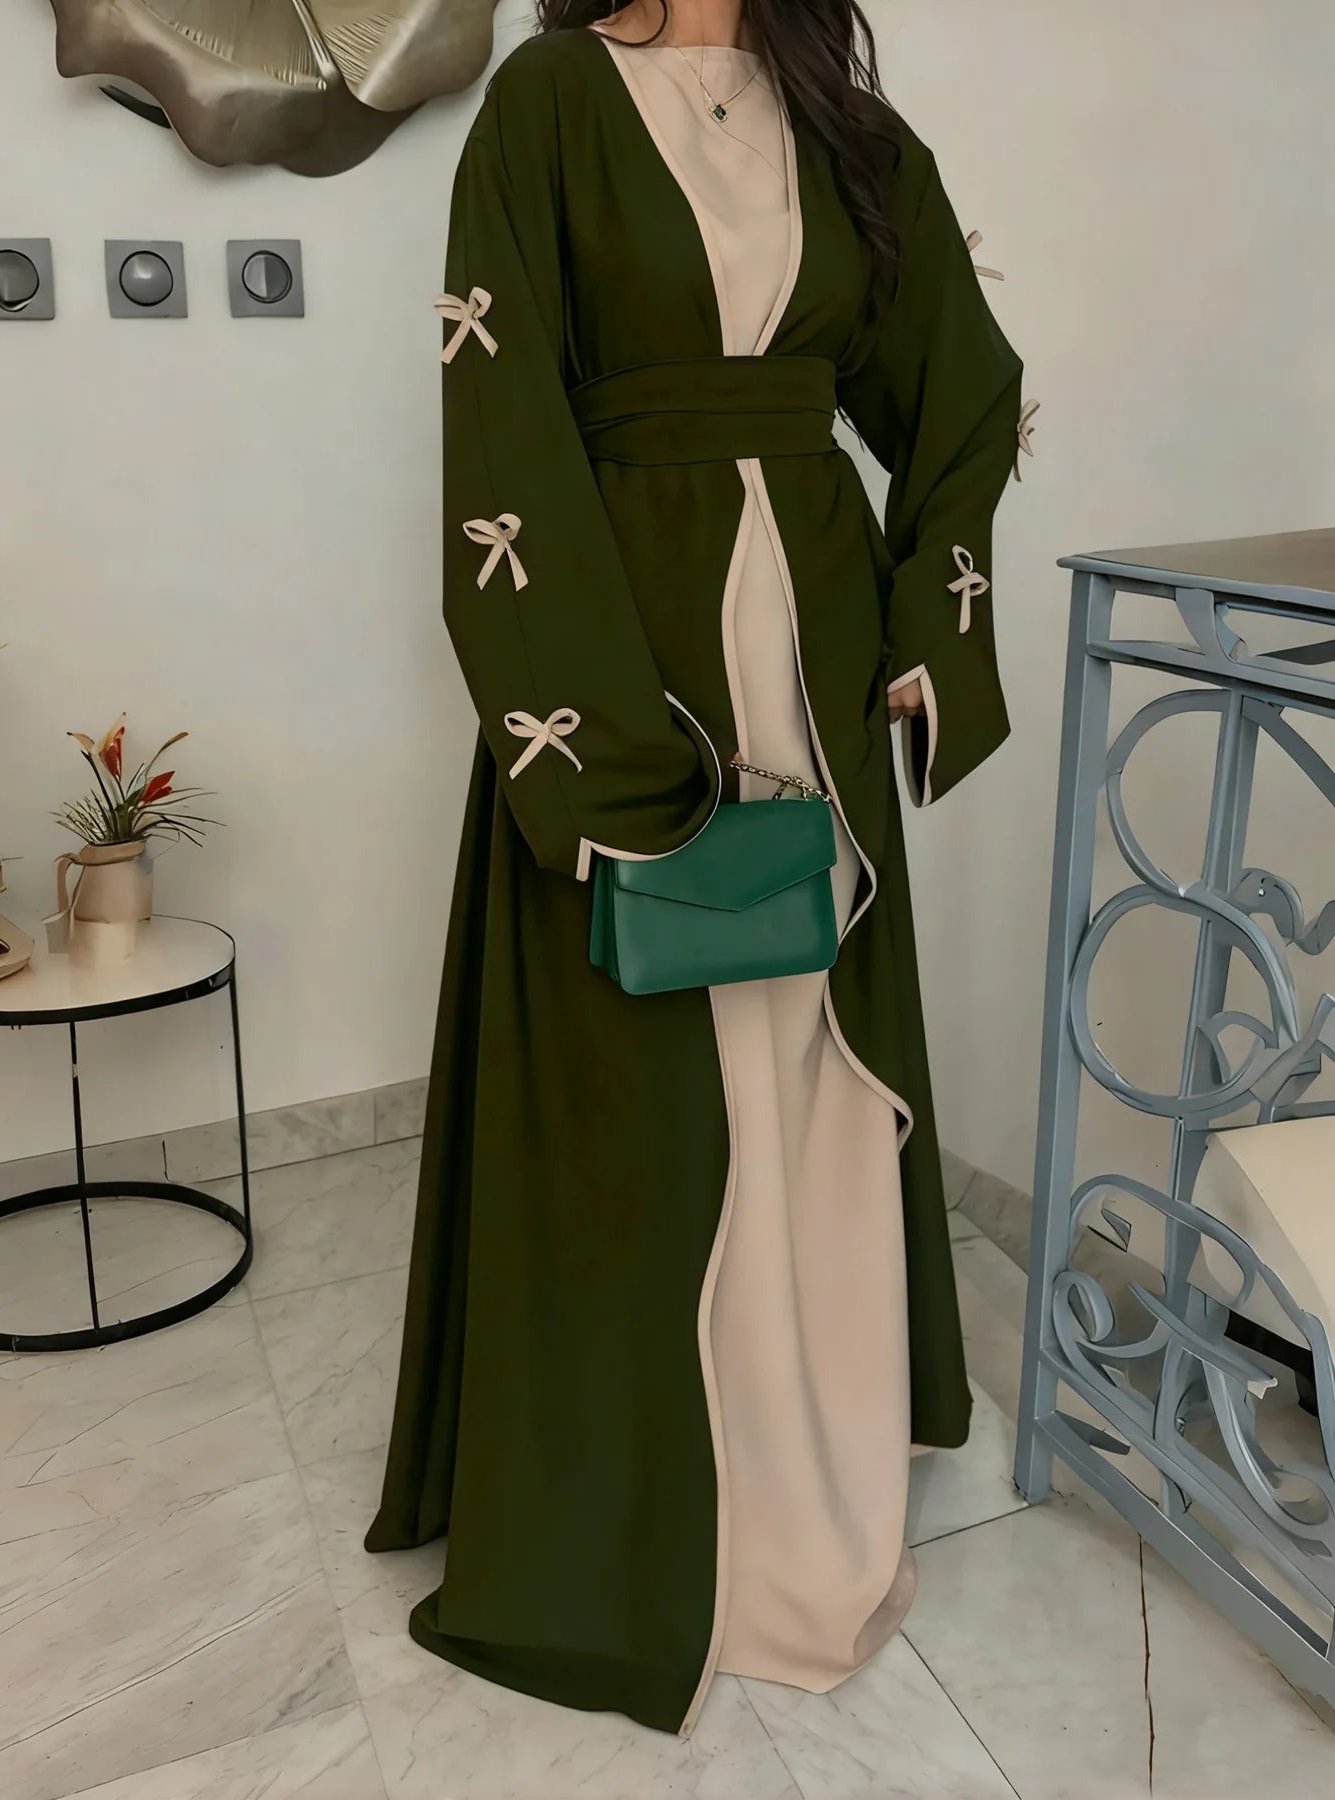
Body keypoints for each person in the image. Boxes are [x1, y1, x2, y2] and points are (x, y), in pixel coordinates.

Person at [367, 0, 1024, 1737]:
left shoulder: (846, 127)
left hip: (815, 648)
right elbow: (501, 412)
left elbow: (963, 384)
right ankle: (634, 1502)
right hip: (626, 647)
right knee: (643, 1073)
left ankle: (812, 1454)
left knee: (807, 1052)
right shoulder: (548, 101)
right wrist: (594, 729)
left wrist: (928, 612)